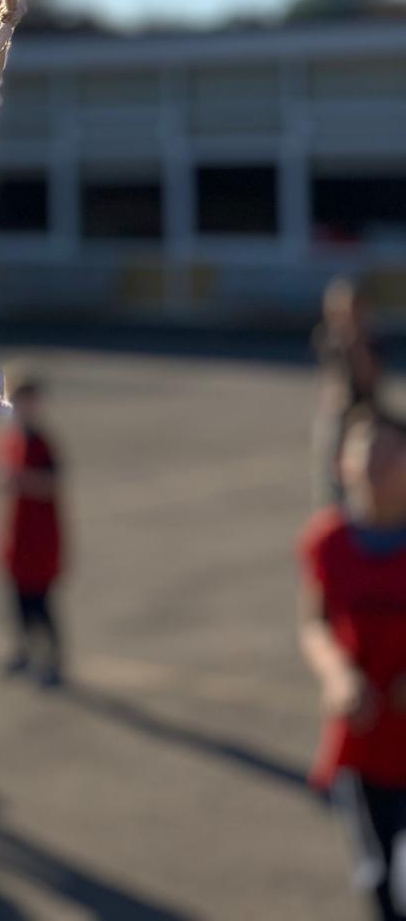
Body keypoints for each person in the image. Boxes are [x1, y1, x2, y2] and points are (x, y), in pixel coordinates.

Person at [299, 406, 406, 920]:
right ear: (342, 464)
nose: (375, 463)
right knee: (378, 875)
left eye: (389, 450)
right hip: (362, 736)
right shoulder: (327, 540)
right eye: (363, 451)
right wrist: (338, 674)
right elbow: (315, 624)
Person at [0, 375, 65, 686]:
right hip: (18, 535)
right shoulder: (11, 439)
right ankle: (23, 651)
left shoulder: (42, 442)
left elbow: (52, 484)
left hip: (41, 538)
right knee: (18, 601)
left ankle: (53, 659)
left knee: (41, 603)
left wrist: (20, 480)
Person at [313, 278, 384, 506]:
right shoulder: (330, 338)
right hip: (338, 419)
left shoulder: (370, 340)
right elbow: (333, 385)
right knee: (332, 482)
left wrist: (356, 341)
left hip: (365, 418)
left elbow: (368, 377)